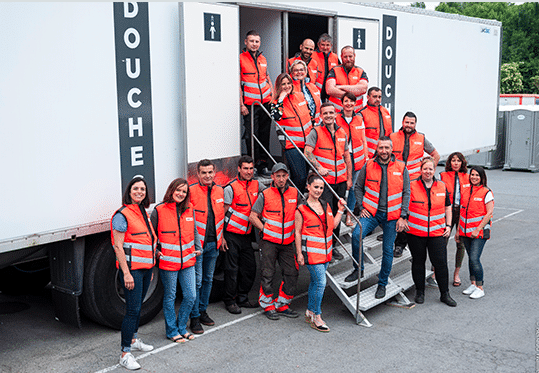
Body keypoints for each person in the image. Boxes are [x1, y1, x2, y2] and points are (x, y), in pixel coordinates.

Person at [344, 137, 410, 301]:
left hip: (392, 216)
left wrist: (403, 216)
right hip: (372, 213)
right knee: (355, 236)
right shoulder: (368, 165)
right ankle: (358, 269)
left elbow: (406, 192)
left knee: (388, 250)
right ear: (377, 149)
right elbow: (357, 187)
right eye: (381, 148)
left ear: (391, 149)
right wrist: (362, 206)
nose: (384, 151)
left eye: (387, 148)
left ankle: (382, 283)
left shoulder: (401, 167)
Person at [111, 176, 156, 370]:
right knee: (132, 311)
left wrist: (152, 265)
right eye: (136, 189)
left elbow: (145, 242)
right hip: (133, 272)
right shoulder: (122, 215)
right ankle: (125, 353)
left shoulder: (142, 211)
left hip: (145, 269)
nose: (139, 192)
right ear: (129, 191)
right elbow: (118, 247)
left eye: (143, 189)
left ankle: (134, 339)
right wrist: (126, 274)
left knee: (139, 307)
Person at [402, 157, 457, 307]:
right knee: (418, 262)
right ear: (421, 170)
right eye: (425, 169)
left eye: (430, 169)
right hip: (416, 234)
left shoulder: (441, 186)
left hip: (437, 234)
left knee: (440, 264)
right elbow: (404, 205)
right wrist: (404, 219)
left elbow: (447, 207)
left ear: (434, 170)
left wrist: (448, 225)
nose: (428, 171)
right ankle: (420, 292)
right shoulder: (412, 186)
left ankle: (445, 294)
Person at [151, 178, 201, 343]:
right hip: (168, 262)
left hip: (188, 260)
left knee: (190, 296)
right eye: (178, 190)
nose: (180, 193)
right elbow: (151, 237)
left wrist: (198, 247)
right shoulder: (159, 210)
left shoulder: (189, 209)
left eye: (184, 191)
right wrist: (156, 252)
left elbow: (194, 231)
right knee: (170, 296)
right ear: (171, 190)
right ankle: (172, 331)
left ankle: (181, 327)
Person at [249, 163, 300, 320]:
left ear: (287, 177)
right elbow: (252, 216)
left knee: (292, 272)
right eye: (278, 176)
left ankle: (283, 304)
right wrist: (265, 229)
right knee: (267, 273)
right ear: (272, 177)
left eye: (284, 175)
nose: (281, 179)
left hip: (288, 242)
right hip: (269, 242)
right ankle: (268, 305)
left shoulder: (294, 193)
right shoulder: (265, 194)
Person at [295, 173, 346, 332]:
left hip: (325, 253)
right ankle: (317, 316)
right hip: (311, 254)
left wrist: (340, 211)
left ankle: (310, 311)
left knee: (315, 283)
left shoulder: (326, 205)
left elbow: (332, 226)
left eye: (321, 188)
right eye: (315, 187)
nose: (318, 190)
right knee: (321, 283)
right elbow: (297, 232)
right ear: (308, 187)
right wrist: (299, 253)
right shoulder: (301, 209)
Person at [304, 102, 353, 261]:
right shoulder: (316, 132)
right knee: (326, 216)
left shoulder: (341, 132)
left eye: (331, 113)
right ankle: (324, 247)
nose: (328, 116)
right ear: (321, 116)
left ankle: (333, 247)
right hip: (324, 182)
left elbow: (347, 157)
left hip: (340, 181)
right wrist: (319, 167)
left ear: (335, 114)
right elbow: (307, 152)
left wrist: (349, 178)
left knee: (337, 214)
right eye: (325, 113)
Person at [391, 111, 440, 258]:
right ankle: (392, 233)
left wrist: (429, 172)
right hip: (396, 179)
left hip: (414, 182)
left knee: (408, 212)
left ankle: (400, 244)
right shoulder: (393, 137)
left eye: (412, 123)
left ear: (415, 124)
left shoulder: (421, 138)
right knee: (394, 207)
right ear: (402, 122)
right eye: (407, 122)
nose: (409, 125)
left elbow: (435, 155)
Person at [221, 156, 263, 314]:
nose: (248, 171)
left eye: (251, 168)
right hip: (231, 235)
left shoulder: (257, 185)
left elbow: (270, 194)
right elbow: (221, 215)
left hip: (247, 235)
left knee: (250, 268)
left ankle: (242, 298)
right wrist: (222, 236)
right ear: (239, 169)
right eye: (245, 168)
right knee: (231, 270)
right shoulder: (230, 188)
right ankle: (230, 300)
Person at [189, 159, 226, 334]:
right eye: (203, 172)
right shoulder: (191, 192)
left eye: (210, 172)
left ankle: (203, 311)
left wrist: (222, 238)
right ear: (198, 174)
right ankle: (194, 317)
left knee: (208, 280)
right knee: (196, 282)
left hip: (214, 244)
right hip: (197, 247)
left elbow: (220, 217)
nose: (207, 175)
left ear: (214, 172)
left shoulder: (220, 191)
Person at [271, 72, 313, 193]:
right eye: (283, 84)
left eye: (288, 83)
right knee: (300, 176)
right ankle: (295, 198)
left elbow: (310, 114)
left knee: (304, 176)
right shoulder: (276, 103)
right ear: (279, 86)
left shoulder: (300, 96)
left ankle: (295, 199)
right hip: (292, 145)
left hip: (307, 144)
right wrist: (281, 98)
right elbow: (276, 116)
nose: (287, 86)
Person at [456, 166, 494, 300]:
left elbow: (489, 213)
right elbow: (461, 212)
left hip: (479, 233)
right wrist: (458, 231)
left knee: (474, 258)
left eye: (477, 175)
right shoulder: (465, 191)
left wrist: (477, 229)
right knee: (470, 259)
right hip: (465, 232)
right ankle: (473, 284)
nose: (474, 177)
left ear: (482, 177)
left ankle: (480, 287)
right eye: (472, 175)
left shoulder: (486, 192)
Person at [240, 30, 273, 175]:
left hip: (265, 103)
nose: (254, 44)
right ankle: (251, 166)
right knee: (251, 136)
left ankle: (263, 165)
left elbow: (267, 78)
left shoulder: (263, 59)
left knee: (264, 135)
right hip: (250, 105)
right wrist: (241, 104)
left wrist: (272, 96)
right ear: (246, 42)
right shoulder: (240, 59)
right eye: (251, 41)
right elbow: (238, 83)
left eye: (257, 41)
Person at [335, 92, 368, 226]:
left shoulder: (359, 119)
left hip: (358, 160)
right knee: (343, 187)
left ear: (355, 104)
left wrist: (366, 157)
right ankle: (339, 213)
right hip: (342, 159)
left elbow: (364, 140)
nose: (349, 104)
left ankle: (349, 216)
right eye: (346, 101)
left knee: (354, 188)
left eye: (352, 101)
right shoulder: (336, 118)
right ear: (342, 103)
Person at [439, 152, 470, 287]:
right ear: (449, 163)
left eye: (458, 161)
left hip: (462, 212)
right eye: (453, 160)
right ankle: (436, 271)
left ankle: (456, 273)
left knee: (460, 243)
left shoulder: (468, 177)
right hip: (447, 212)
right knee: (441, 242)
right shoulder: (443, 176)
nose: (456, 163)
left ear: (462, 163)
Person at [326, 46, 368, 112]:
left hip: (356, 114)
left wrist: (340, 87)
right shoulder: (334, 70)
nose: (348, 59)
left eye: (350, 56)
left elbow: (363, 89)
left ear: (354, 56)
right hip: (337, 114)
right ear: (341, 57)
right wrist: (354, 91)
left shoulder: (360, 71)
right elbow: (329, 90)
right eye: (345, 57)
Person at [359, 87, 393, 159]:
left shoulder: (385, 112)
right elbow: (359, 138)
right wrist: (366, 156)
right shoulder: (361, 113)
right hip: (369, 155)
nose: (377, 99)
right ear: (368, 97)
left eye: (379, 97)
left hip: (384, 154)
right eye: (374, 96)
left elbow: (390, 133)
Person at [290, 59, 321, 124]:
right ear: (292, 73)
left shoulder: (313, 87)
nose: (299, 72)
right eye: (296, 70)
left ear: (306, 72)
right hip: (300, 126)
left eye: (301, 70)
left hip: (316, 125)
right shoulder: (289, 88)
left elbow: (320, 105)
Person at [311, 33, 340, 102]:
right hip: (315, 93)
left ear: (331, 46)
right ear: (318, 45)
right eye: (322, 45)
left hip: (330, 95)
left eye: (327, 45)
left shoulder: (335, 57)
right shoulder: (312, 55)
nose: (325, 47)